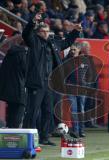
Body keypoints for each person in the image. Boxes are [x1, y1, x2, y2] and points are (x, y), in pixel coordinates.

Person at [22, 12, 82, 145]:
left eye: (47, 31)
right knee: (32, 110)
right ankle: (27, 137)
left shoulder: (53, 42)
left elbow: (66, 42)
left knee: (48, 111)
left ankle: (44, 137)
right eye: (43, 31)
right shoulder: (33, 41)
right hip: (36, 82)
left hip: (50, 83)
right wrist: (33, 21)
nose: (45, 33)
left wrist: (75, 32)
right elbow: (25, 33)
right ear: (37, 32)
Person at [0, 44, 27, 128]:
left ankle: (9, 131)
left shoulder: (9, 55)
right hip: (19, 88)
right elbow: (25, 70)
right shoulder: (23, 54)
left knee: (11, 113)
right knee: (18, 112)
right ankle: (14, 132)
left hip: (7, 89)